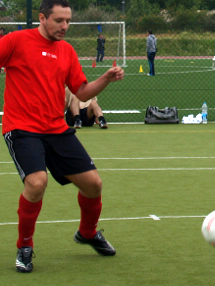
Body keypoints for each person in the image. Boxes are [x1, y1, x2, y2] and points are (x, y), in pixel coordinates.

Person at [0, 0, 124, 273]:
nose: (65, 26)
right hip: (21, 128)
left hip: (56, 129)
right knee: (36, 183)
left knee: (93, 184)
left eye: (68, 21)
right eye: (59, 20)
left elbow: (81, 93)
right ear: (42, 18)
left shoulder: (67, 51)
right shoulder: (16, 41)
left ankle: (88, 233)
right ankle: (24, 246)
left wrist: (105, 78)